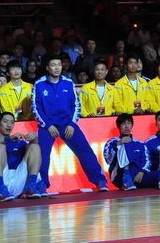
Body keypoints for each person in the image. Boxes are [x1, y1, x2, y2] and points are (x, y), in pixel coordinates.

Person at [32, 54, 108, 192]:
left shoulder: (68, 83)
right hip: (47, 126)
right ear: (47, 67)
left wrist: (72, 125)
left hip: (67, 125)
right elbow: (35, 108)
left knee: (85, 151)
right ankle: (41, 185)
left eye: (59, 65)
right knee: (42, 154)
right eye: (53, 65)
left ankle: (100, 181)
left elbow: (76, 106)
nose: (57, 68)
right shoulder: (39, 84)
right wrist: (47, 126)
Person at [0, 112, 42, 201]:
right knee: (0, 147)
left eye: (12, 122)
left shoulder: (20, 141)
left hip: (17, 183)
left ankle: (31, 186)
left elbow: (35, 155)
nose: (9, 125)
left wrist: (34, 138)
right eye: (5, 121)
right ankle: (0, 187)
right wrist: (9, 138)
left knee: (35, 146)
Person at [102, 114, 152, 190]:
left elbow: (147, 161)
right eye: (123, 123)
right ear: (119, 126)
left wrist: (142, 172)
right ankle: (127, 179)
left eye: (129, 123)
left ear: (132, 125)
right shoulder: (112, 142)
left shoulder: (140, 143)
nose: (126, 126)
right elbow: (108, 160)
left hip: (138, 175)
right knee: (126, 145)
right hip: (119, 175)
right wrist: (118, 145)